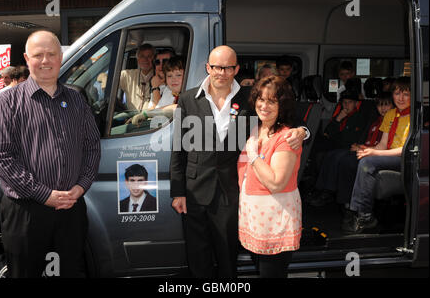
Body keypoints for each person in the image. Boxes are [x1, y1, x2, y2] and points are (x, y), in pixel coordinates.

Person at [169, 45, 307, 278]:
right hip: (194, 191)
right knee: (197, 257)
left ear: (236, 69)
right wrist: (178, 191)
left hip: (230, 190)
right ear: (207, 68)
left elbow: (286, 117)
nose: (221, 72)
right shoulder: (187, 99)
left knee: (227, 256)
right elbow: (178, 149)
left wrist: (303, 131)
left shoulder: (249, 98)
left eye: (227, 67)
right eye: (216, 67)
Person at [0, 30, 101, 278]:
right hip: (25, 212)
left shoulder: (76, 99)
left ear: (61, 57)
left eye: (51, 54)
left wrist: (81, 187)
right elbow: (1, 156)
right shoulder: (7, 102)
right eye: (38, 55)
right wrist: (44, 194)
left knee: (72, 272)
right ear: (27, 59)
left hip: (71, 210)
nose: (45, 60)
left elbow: (92, 146)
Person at [238, 75, 302, 278]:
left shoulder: (286, 137)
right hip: (256, 221)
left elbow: (276, 183)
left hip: (275, 223)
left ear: (282, 105)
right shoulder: (257, 129)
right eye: (261, 99)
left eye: (272, 101)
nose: (264, 105)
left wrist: (254, 155)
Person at [343, 77, 411, 234]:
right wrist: (369, 150)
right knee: (359, 158)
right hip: (389, 155)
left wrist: (376, 153)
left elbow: (405, 149)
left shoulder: (414, 117)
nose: (400, 98)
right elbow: (382, 143)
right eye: (397, 93)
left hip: (406, 158)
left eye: (406, 94)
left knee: (368, 163)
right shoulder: (391, 114)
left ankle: (364, 214)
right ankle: (351, 207)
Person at [310, 92, 394, 208]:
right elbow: (327, 133)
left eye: (386, 105)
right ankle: (324, 191)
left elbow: (381, 145)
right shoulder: (376, 121)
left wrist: (361, 147)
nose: (383, 108)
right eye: (380, 105)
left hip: (372, 152)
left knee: (346, 160)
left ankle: (346, 202)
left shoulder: (382, 120)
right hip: (364, 148)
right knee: (332, 155)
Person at [130, 56, 184, 126]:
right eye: (169, 76)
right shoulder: (170, 90)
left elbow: (178, 108)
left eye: (178, 75)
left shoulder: (188, 93)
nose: (173, 79)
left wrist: (147, 114)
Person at [119, 43, 155, 111]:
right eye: (142, 56)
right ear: (138, 59)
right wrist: (104, 78)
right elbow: (107, 79)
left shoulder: (159, 77)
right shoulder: (128, 75)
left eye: (149, 56)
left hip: (151, 119)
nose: (145, 59)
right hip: (131, 119)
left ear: (154, 59)